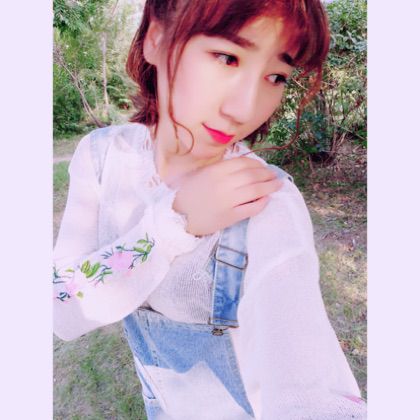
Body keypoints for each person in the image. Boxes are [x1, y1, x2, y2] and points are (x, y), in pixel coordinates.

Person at [53, 0, 367, 418]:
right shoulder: (102, 157)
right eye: (227, 57)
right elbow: (61, 307)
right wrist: (173, 225)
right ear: (155, 39)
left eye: (276, 76)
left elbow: (308, 393)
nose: (244, 109)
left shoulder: (265, 202)